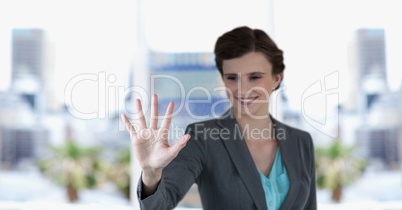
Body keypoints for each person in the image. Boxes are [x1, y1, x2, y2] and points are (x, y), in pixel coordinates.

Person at [121, 26, 317, 210]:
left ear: (276, 79)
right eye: (232, 77)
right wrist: (151, 173)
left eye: (255, 76)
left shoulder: (301, 142)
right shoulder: (202, 138)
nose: (243, 89)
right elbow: (159, 205)